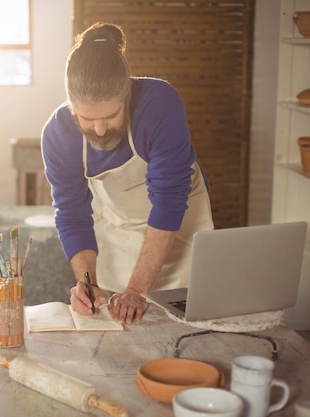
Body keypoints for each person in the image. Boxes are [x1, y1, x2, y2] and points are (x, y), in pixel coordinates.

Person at [41, 22, 214, 324]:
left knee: (183, 326)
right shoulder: (57, 134)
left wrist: (136, 289)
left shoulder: (160, 103)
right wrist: (87, 281)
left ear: (127, 96)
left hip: (179, 225)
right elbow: (72, 213)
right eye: (87, 118)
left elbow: (169, 200)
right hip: (118, 227)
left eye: (110, 116)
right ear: (72, 107)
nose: (99, 129)